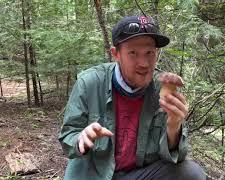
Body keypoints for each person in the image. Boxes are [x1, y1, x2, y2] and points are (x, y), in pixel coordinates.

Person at [58, 15, 205, 180]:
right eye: (133, 53)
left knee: (191, 174)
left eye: (149, 52)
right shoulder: (90, 83)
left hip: (138, 174)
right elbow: (67, 136)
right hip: (94, 174)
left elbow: (175, 156)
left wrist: (174, 125)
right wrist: (81, 138)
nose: (144, 63)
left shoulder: (162, 87)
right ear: (116, 54)